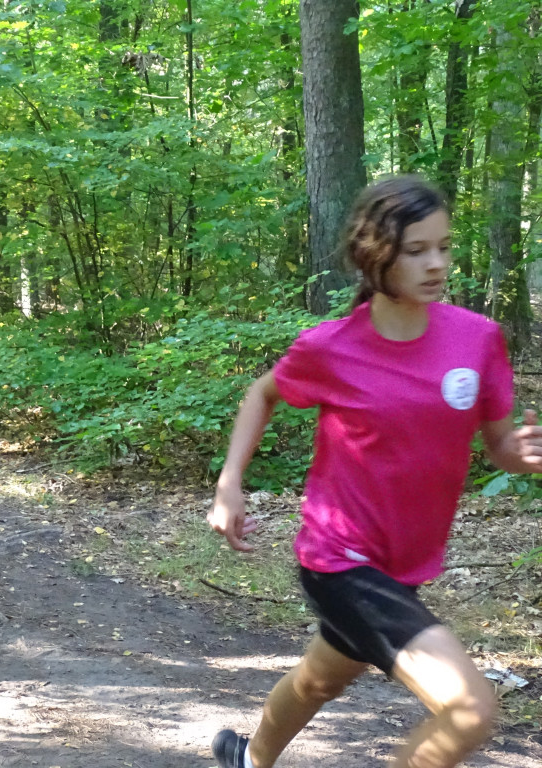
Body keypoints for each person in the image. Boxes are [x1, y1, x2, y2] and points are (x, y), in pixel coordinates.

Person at [206, 176, 542, 768]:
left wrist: (521, 452)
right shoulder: (333, 348)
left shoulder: (478, 339)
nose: (435, 264)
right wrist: (229, 483)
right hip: (339, 560)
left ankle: (249, 760)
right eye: (416, 251)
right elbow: (262, 394)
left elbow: (498, 446)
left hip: (403, 564)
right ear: (374, 254)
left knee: (320, 679)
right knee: (469, 710)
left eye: (443, 246)